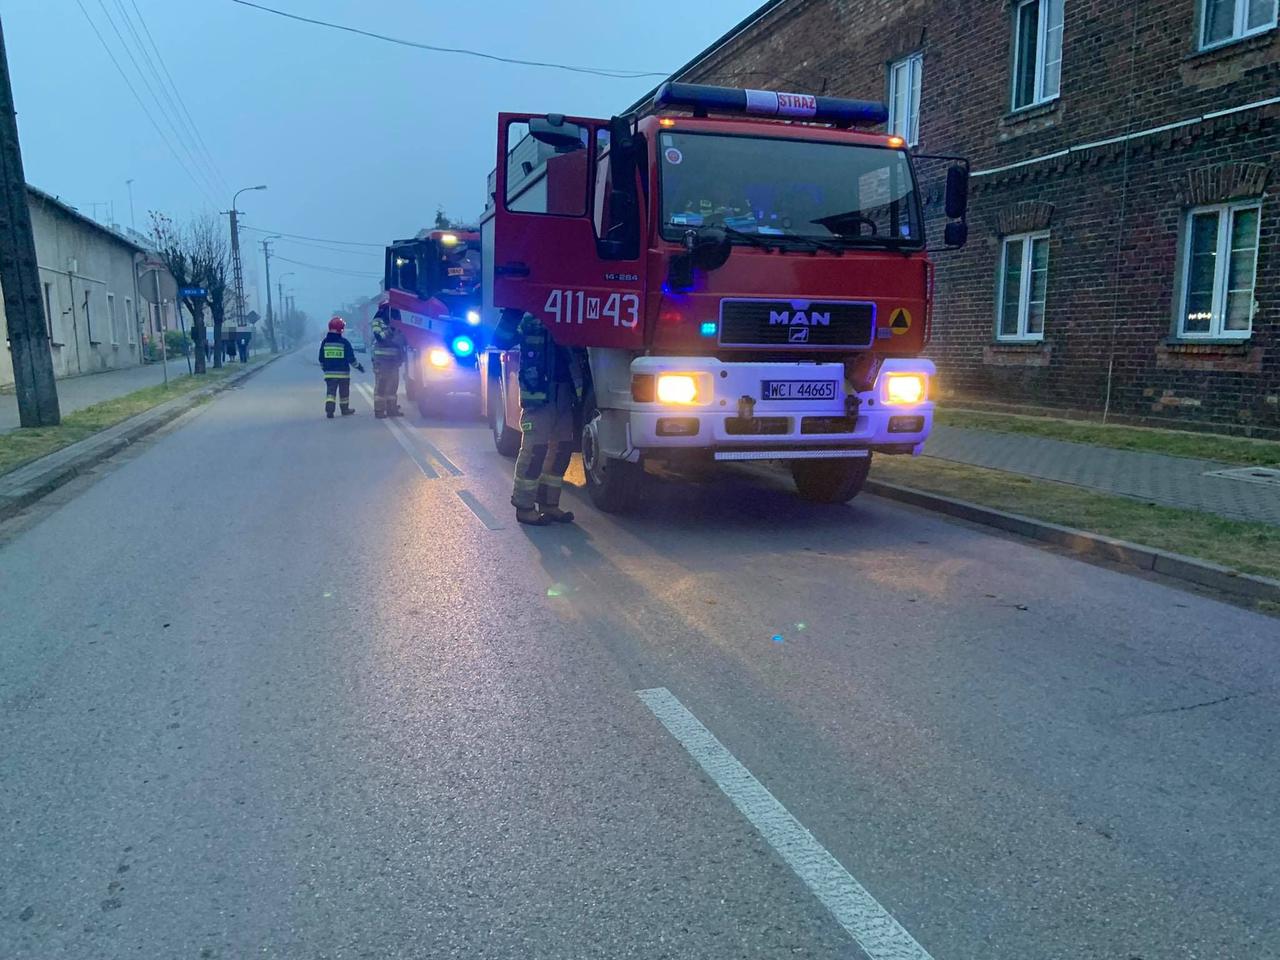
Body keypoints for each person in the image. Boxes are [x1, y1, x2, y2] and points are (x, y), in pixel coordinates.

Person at [492, 310, 583, 526]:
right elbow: (500, 340)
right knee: (535, 450)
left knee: (562, 449)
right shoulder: (528, 316)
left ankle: (549, 504)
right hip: (538, 394)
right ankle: (524, 507)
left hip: (565, 391)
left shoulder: (569, 310)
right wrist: (513, 311)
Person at [318, 316, 363, 418]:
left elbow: (321, 358)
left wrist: (324, 369)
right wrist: (359, 367)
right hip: (343, 374)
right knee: (344, 393)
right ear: (341, 329)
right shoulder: (344, 342)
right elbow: (351, 358)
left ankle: (329, 411)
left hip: (329, 374)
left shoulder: (325, 342)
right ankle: (345, 409)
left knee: (330, 393)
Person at [369, 309, 406, 419]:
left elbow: (401, 339)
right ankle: (379, 410)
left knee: (393, 386)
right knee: (382, 385)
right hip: (382, 360)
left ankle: (391, 409)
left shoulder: (396, 321)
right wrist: (391, 330)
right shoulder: (377, 321)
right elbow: (379, 337)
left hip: (394, 361)